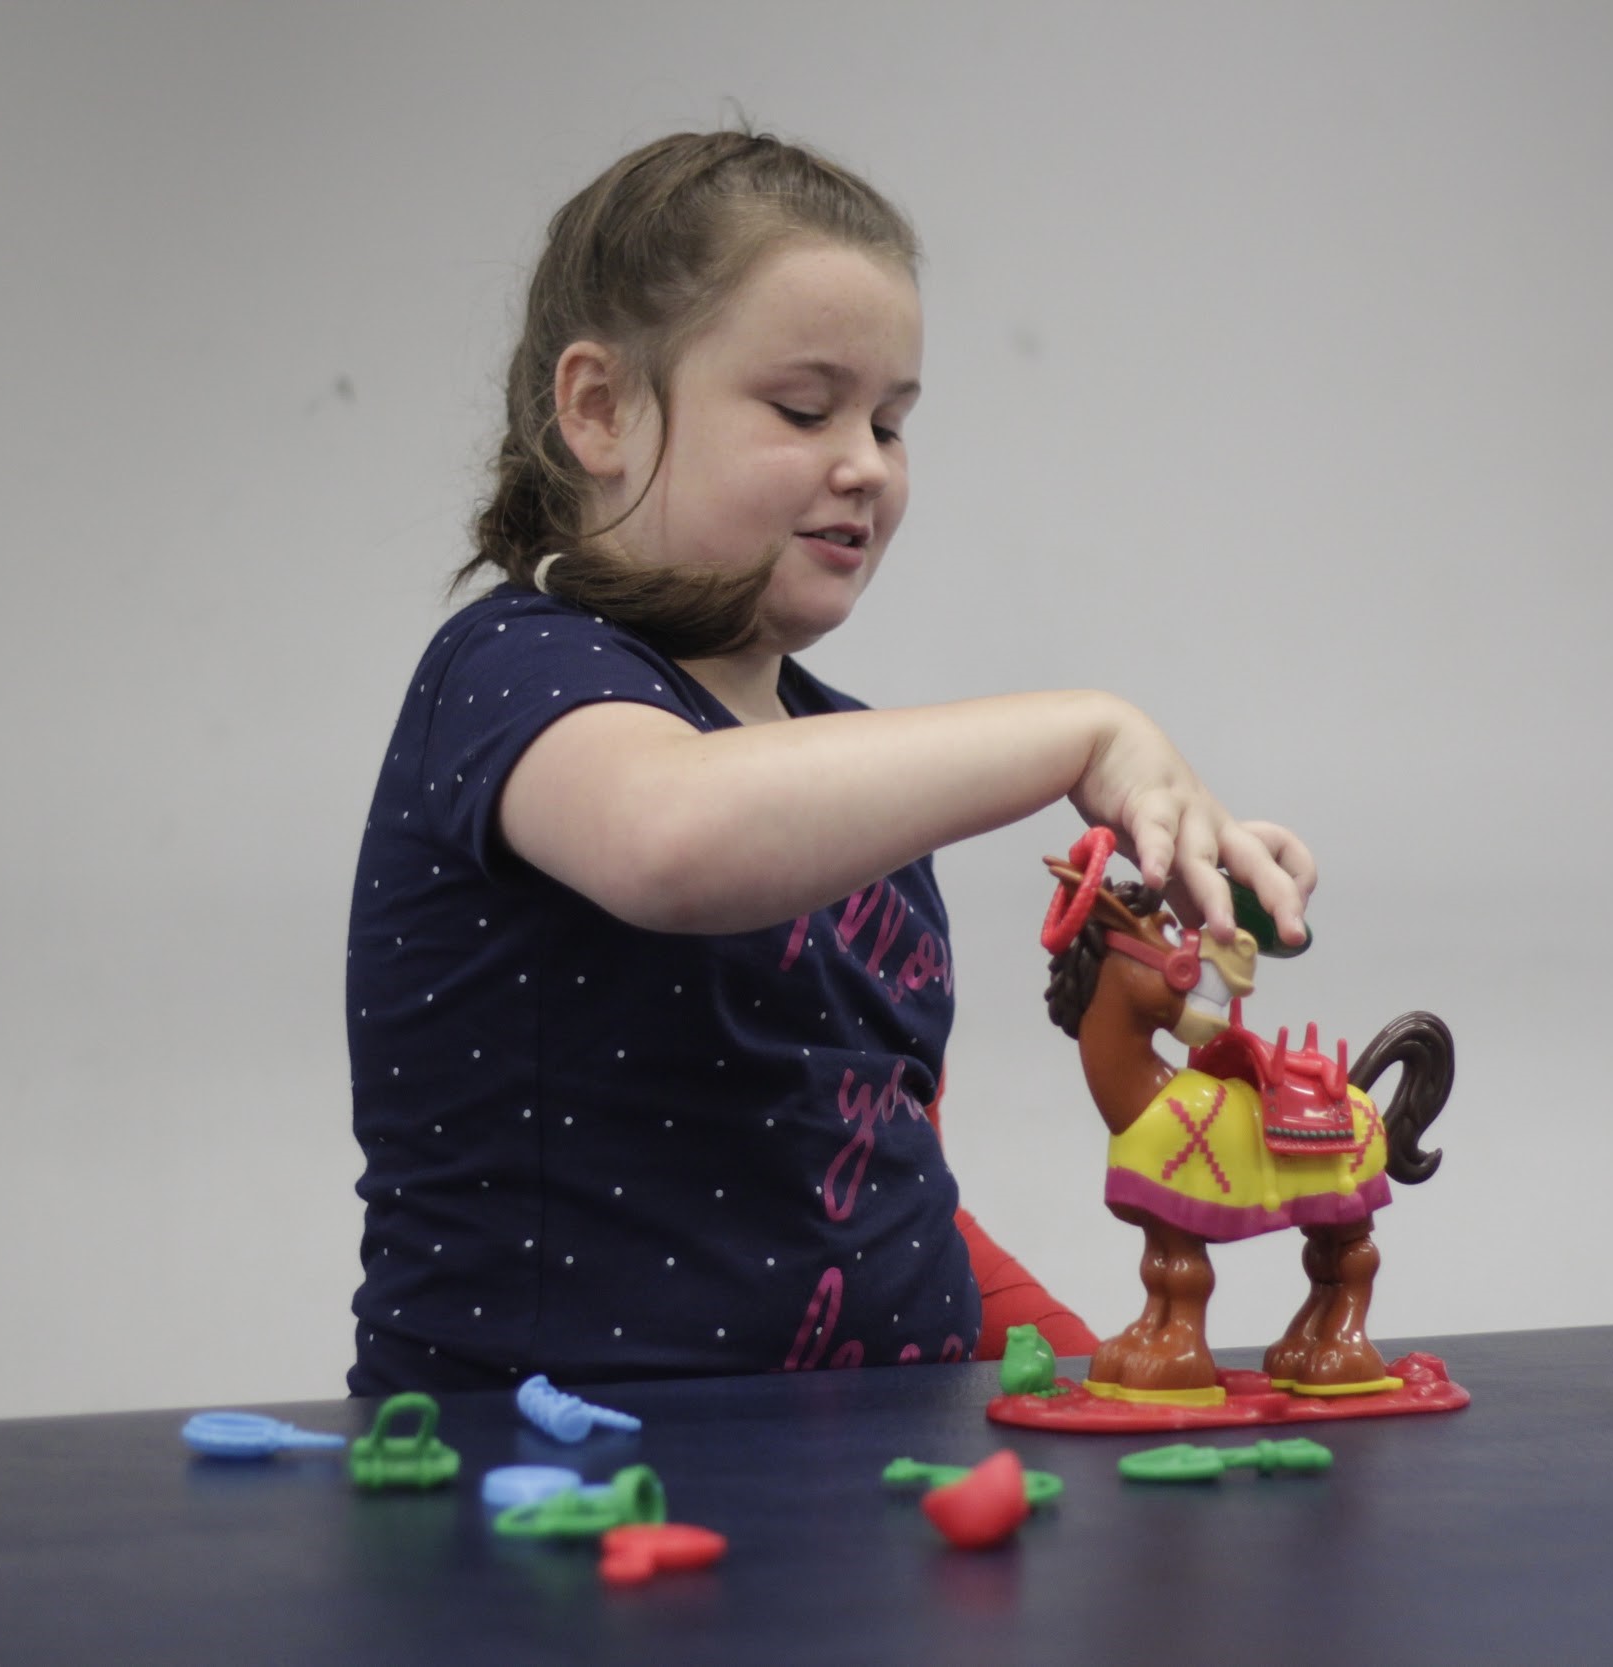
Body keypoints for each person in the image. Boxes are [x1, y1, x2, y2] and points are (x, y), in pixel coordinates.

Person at [346, 129, 1315, 1395]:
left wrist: (1092, 1373)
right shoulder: (513, 673)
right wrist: (1084, 729)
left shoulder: (850, 771)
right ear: (599, 409)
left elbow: (871, 1178)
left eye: (891, 422)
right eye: (804, 409)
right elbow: (672, 838)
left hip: (851, 1482)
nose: (863, 462)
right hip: (557, 1484)